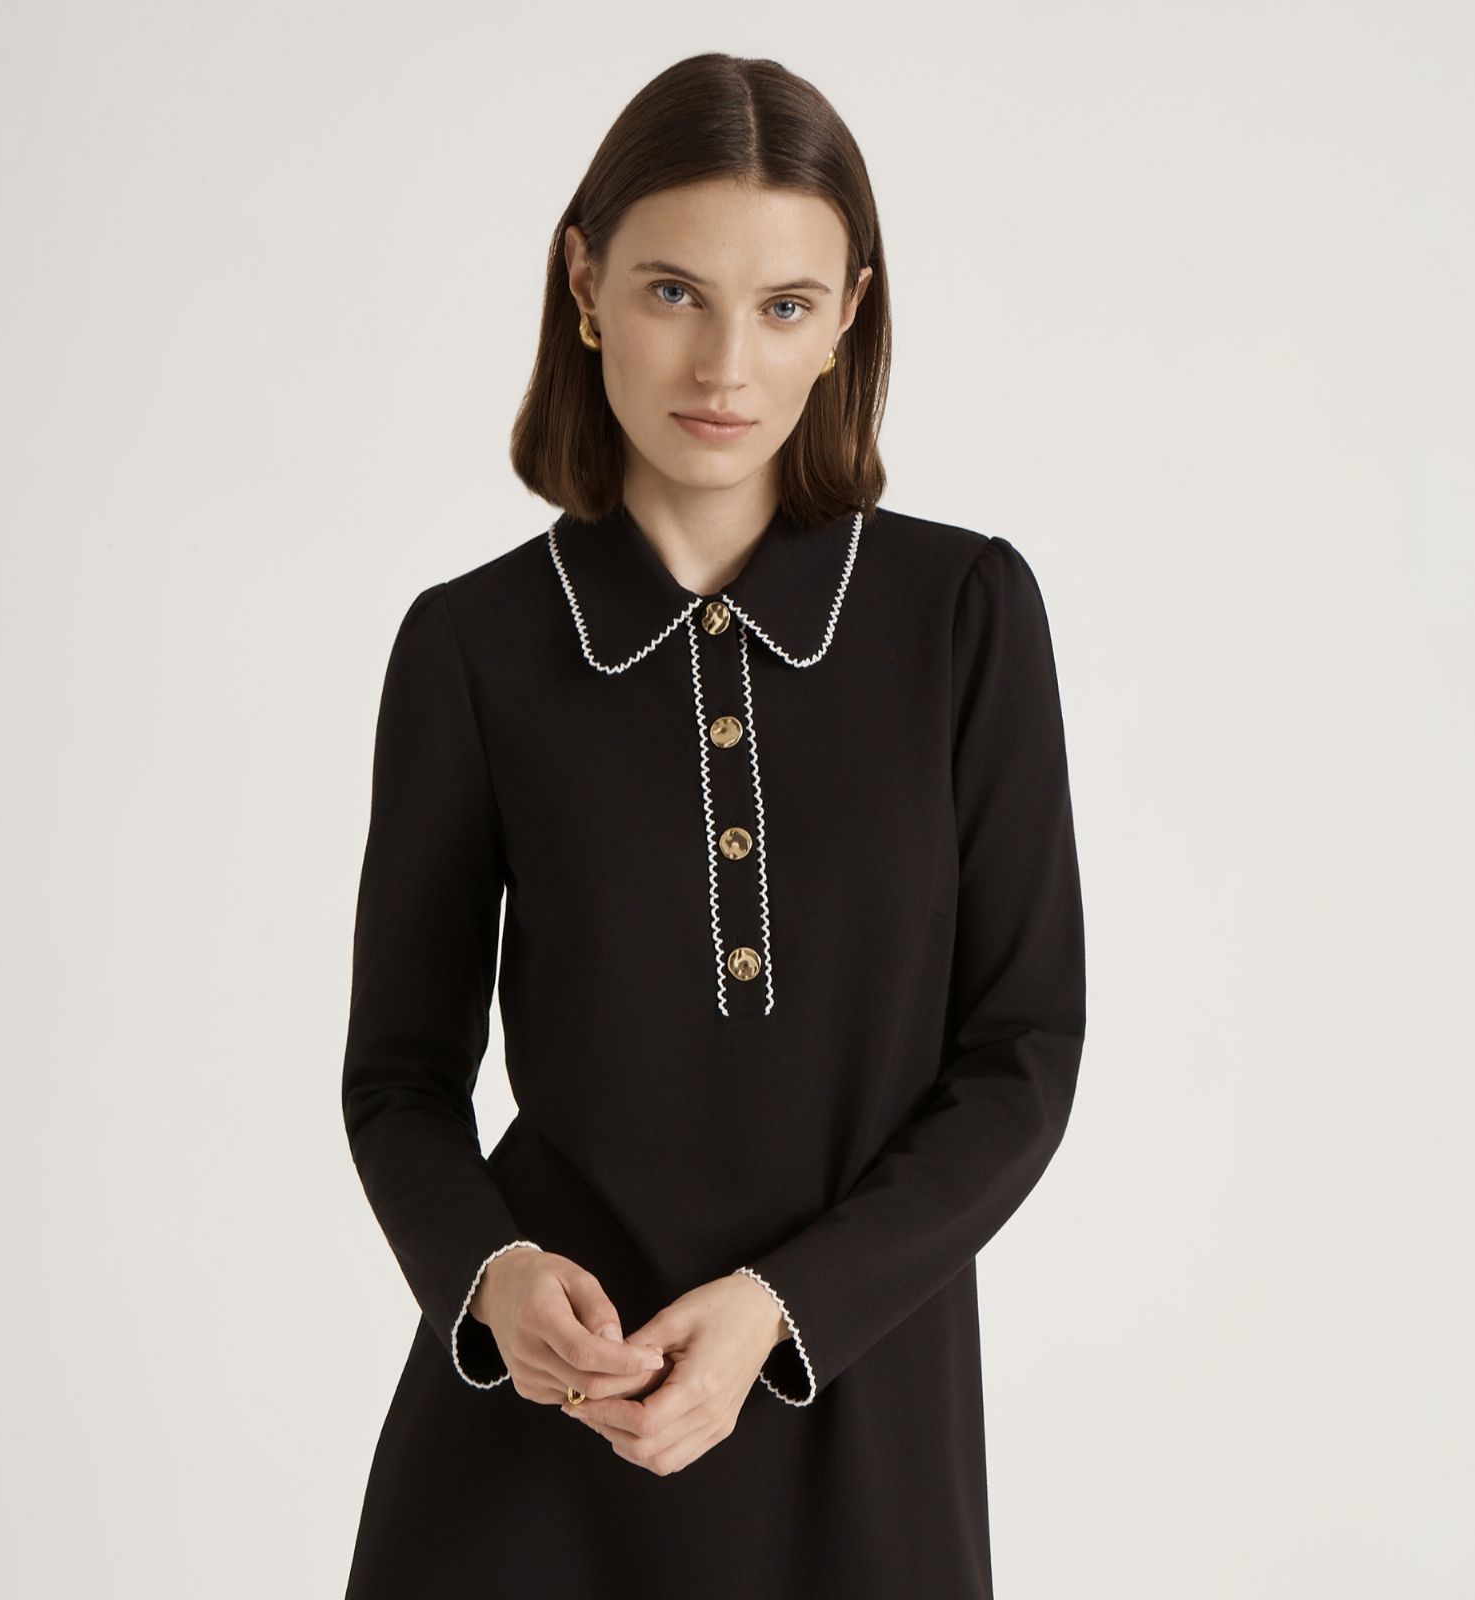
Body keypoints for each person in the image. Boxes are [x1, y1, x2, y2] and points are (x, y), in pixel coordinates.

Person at [340, 50, 1086, 1600]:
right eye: (675, 292)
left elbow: (1022, 1053)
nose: (725, 365)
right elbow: (400, 1079)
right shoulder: (473, 647)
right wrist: (491, 1277)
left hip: (858, 1424)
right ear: (585, 285)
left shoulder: (962, 615)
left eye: (785, 306)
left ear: (850, 317)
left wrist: (785, 1308)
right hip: (542, 1442)